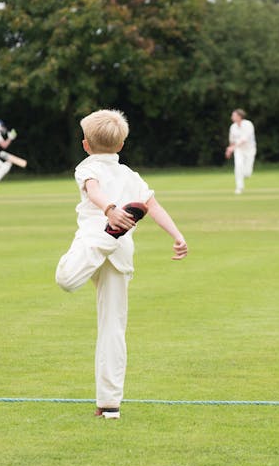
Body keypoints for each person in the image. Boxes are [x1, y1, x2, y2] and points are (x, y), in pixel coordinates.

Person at [55, 109, 188, 420]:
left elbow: (94, 190)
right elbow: (153, 207)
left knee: (65, 279)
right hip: (121, 248)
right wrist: (177, 235)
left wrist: (110, 211)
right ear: (121, 146)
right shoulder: (131, 176)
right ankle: (110, 405)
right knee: (113, 327)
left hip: (96, 238)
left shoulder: (86, 166)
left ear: (86, 144)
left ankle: (106, 238)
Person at [225, 109, 256, 194]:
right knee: (238, 167)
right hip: (239, 150)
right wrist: (230, 150)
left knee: (247, 173)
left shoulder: (248, 124)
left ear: (239, 116)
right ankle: (239, 187)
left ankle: (245, 174)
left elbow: (244, 139)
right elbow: (232, 140)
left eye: (233, 115)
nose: (232, 117)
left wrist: (232, 148)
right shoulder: (233, 127)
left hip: (250, 149)